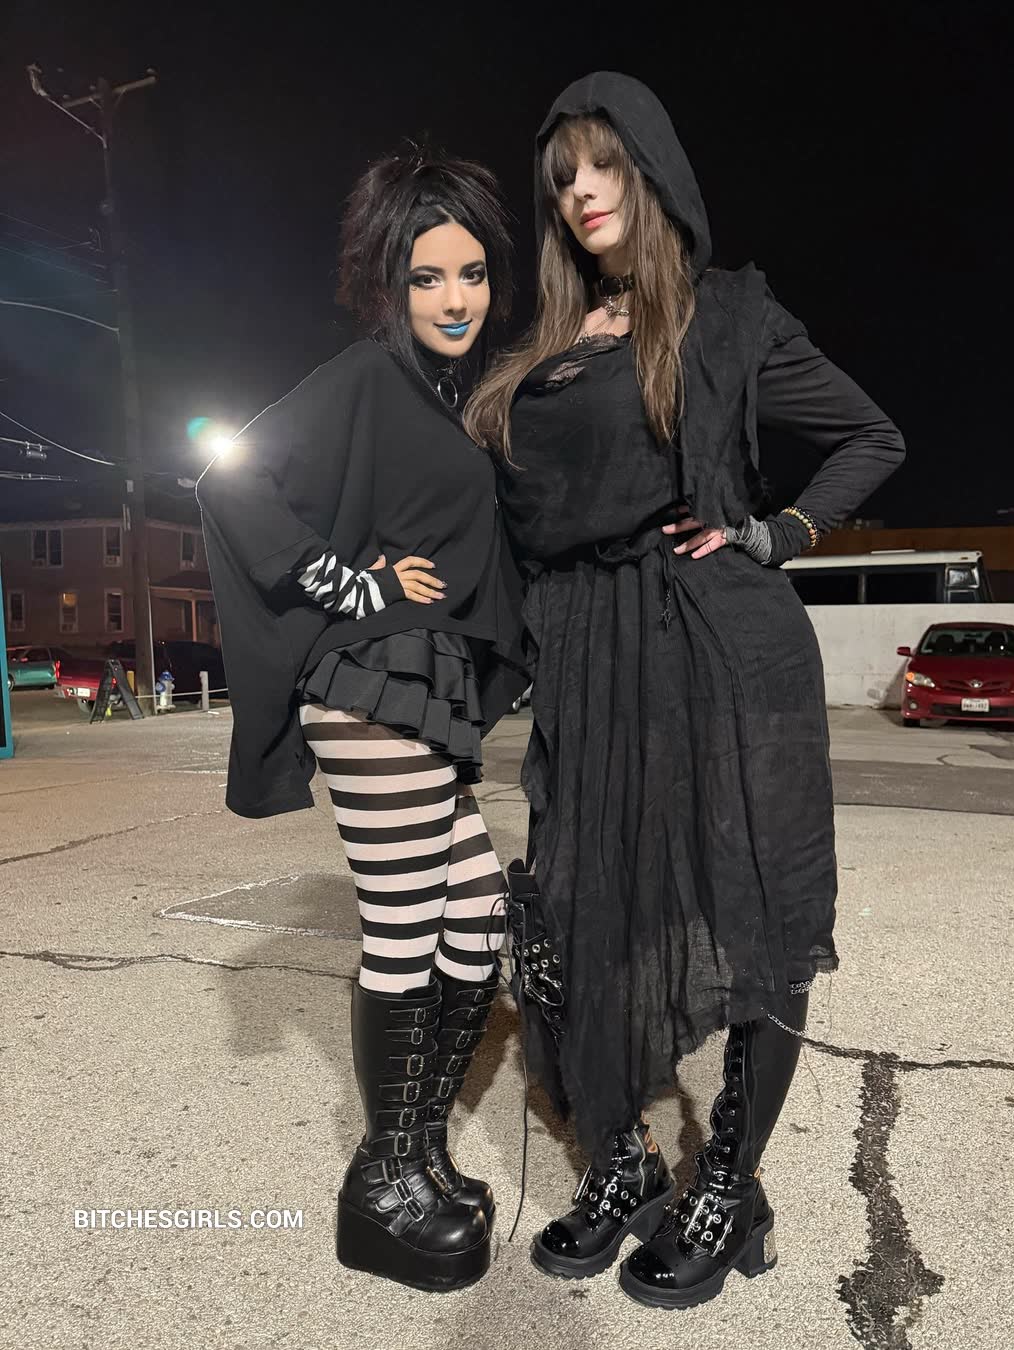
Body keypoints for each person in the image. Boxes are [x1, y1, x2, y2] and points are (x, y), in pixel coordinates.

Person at [465, 72, 905, 1310]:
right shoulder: (546, 350)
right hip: (588, 661)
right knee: (576, 914)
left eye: (604, 164)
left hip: (719, 644)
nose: (582, 192)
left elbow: (872, 436)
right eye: (562, 178)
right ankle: (622, 1159)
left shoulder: (727, 316)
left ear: (652, 170)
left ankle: (728, 1181)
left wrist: (780, 532)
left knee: (752, 907)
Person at [197, 149, 528, 1293]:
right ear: (389, 283)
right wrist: (348, 582)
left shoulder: (443, 397)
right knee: (404, 927)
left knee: (475, 912)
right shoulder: (367, 376)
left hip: (418, 683)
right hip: (371, 682)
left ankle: (417, 1153)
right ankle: (383, 1185)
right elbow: (231, 481)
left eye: (471, 274)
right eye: (427, 277)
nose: (454, 298)